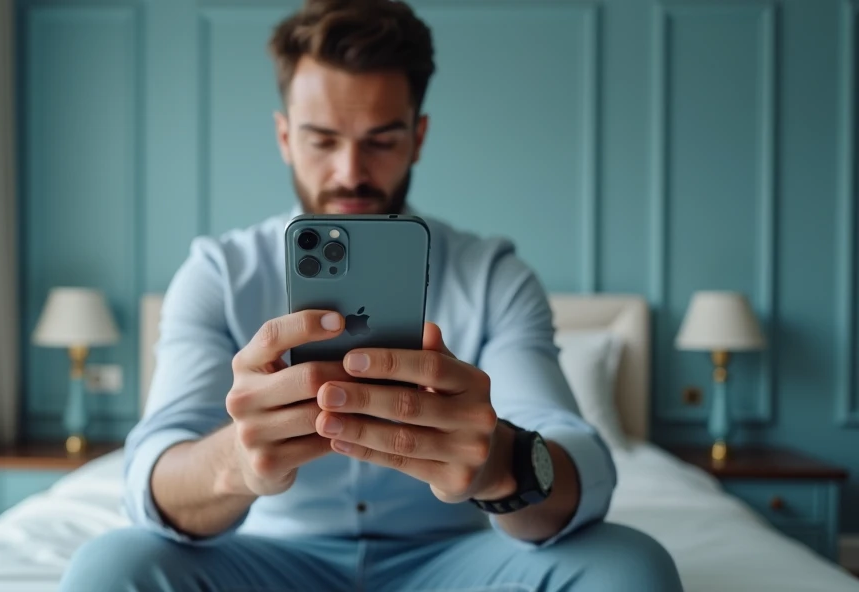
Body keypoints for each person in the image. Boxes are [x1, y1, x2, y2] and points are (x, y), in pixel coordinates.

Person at [60, 0, 682, 590]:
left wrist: (499, 463)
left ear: (418, 136)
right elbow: (151, 474)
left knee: (630, 567)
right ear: (284, 137)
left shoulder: (493, 274)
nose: (351, 172)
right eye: (322, 140)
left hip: (455, 562)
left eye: (381, 140)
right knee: (106, 570)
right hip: (265, 560)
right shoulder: (218, 274)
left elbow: (575, 461)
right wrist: (236, 464)